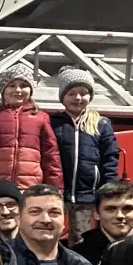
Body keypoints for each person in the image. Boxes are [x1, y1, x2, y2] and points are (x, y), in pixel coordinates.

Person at [0, 62, 62, 196]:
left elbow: (51, 157)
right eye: (12, 85)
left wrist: (55, 191)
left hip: (29, 189)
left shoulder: (41, 117)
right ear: (3, 89)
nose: (18, 90)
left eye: (24, 86)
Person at [48, 68, 119, 241]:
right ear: (62, 97)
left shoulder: (101, 123)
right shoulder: (52, 123)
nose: (78, 98)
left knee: (82, 239)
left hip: (87, 195)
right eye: (71, 93)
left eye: (83, 93)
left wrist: (108, 189)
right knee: (51, 235)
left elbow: (109, 158)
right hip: (58, 194)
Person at [73, 180, 133, 265]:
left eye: (127, 208)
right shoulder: (76, 257)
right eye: (110, 209)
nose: (119, 215)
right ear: (97, 214)